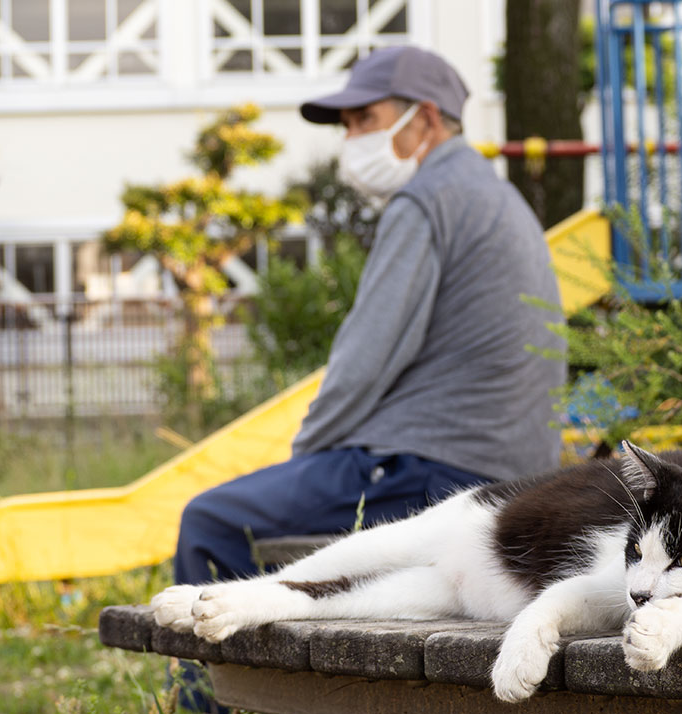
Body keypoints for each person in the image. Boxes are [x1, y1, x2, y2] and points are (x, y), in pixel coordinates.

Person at [171, 45, 567, 619]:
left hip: (431, 465)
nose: (351, 140)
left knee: (211, 521)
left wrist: (303, 458)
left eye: (366, 121)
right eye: (347, 126)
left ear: (425, 119)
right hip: (506, 470)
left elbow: (364, 359)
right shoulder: (493, 194)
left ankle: (216, 706)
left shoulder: (426, 200)